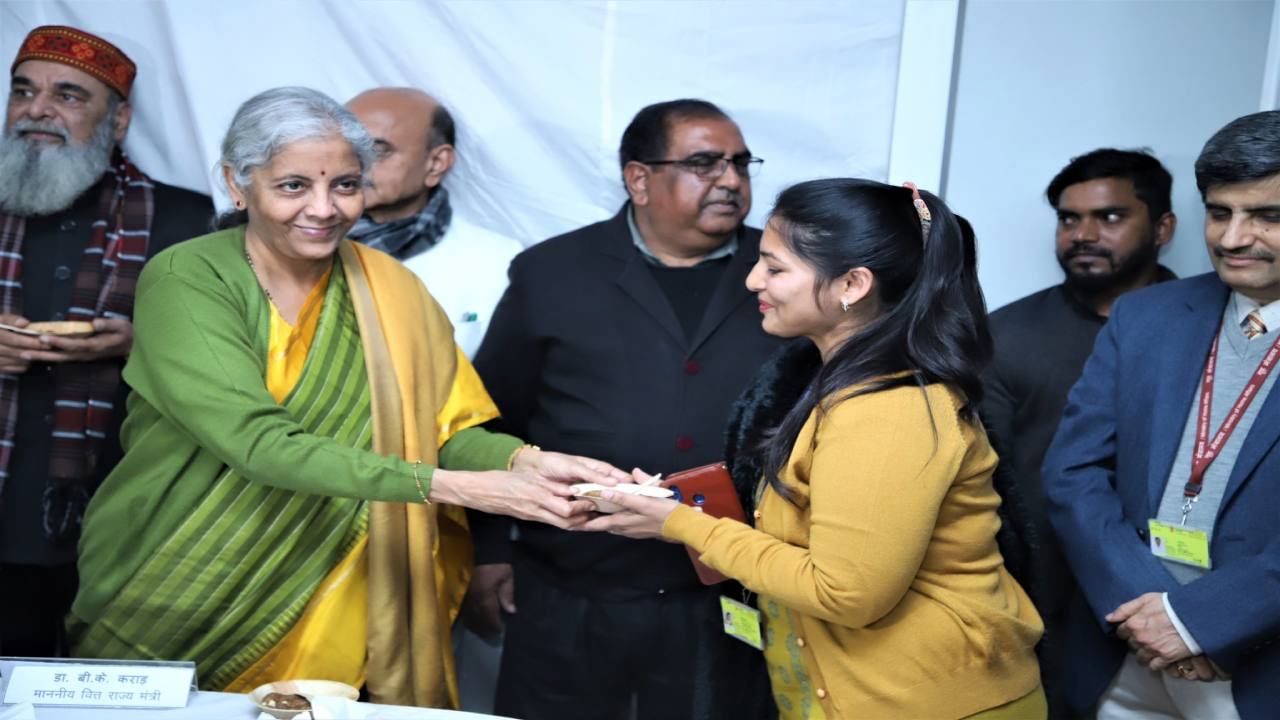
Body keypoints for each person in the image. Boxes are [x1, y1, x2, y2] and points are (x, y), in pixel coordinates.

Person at [67, 86, 625, 709]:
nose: (324, 208)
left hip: (342, 582)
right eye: (293, 186)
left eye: (346, 185)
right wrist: (456, 488)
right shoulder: (188, 277)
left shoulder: (392, 287)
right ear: (237, 182)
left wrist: (523, 462)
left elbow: (446, 429)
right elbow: (258, 444)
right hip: (183, 575)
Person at [591, 178, 1046, 719]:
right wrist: (675, 506)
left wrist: (682, 524)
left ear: (852, 284)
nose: (753, 279)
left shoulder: (888, 410)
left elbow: (845, 593)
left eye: (776, 267)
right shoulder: (836, 382)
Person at [469, 98, 783, 719]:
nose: (730, 180)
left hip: (727, 588)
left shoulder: (785, 274)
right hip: (569, 587)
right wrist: (489, 553)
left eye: (740, 164)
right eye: (704, 163)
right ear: (638, 178)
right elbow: (490, 423)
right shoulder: (553, 273)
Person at [1043, 110, 1280, 720]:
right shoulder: (1145, 315)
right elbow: (1073, 474)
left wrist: (1199, 622)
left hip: (1257, 670)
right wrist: (1148, 614)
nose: (1232, 238)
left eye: (1267, 216)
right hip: (1123, 651)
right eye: (1220, 212)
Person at [0, 25, 213, 657]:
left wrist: (138, 345)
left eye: (69, 95)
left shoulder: (189, 222)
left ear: (118, 122)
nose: (38, 109)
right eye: (23, 91)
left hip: (124, 526)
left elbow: (247, 359)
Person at [981, 149, 1177, 715]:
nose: (1084, 234)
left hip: (1172, 600)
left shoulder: (1206, 328)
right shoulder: (1007, 336)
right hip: (1037, 602)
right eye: (1069, 219)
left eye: (1110, 217)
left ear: (1163, 226)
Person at [345, 87, 521, 358]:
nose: (354, 166)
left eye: (377, 152)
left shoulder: (498, 262)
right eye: (346, 150)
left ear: (436, 163)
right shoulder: (287, 249)